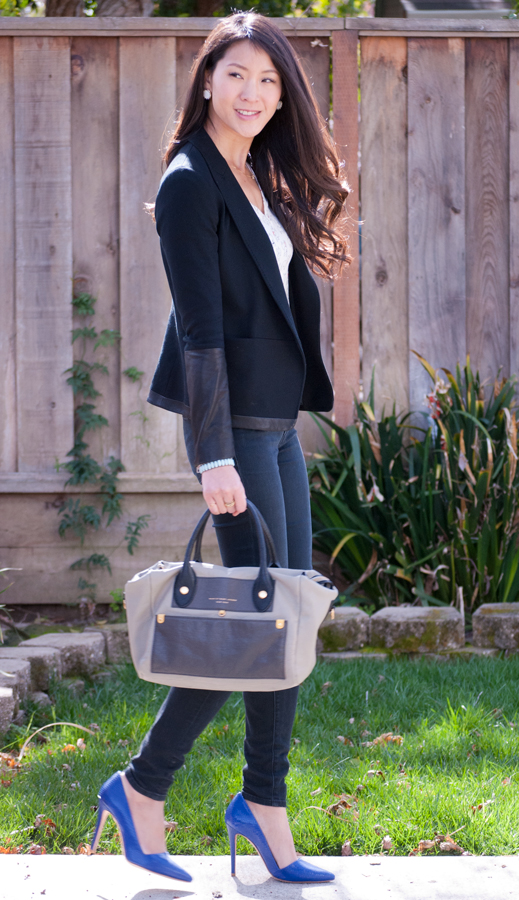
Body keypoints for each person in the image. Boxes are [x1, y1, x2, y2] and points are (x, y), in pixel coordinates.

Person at [90, 11, 349, 884]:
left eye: (271, 82)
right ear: (207, 79)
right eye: (238, 75)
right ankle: (143, 785)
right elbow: (200, 330)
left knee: (288, 626)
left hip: (277, 430)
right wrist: (212, 458)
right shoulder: (192, 181)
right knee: (254, 628)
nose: (255, 94)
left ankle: (263, 805)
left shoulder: (258, 176)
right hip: (235, 435)